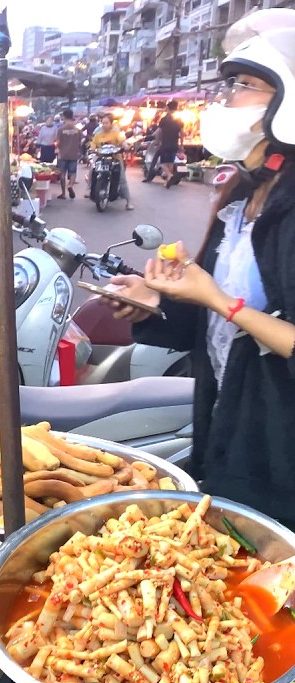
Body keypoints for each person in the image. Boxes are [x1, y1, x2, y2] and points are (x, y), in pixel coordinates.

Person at [104, 12, 295, 525]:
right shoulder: (242, 193)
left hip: (280, 446)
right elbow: (208, 328)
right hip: (226, 421)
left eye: (244, 86)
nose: (227, 98)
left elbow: (233, 311)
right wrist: (155, 302)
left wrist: (217, 298)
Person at [89, 114, 134, 210]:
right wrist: (92, 149)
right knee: (92, 171)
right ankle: (90, 189)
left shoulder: (116, 133)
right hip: (101, 158)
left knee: (122, 180)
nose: (104, 125)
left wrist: (125, 146)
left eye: (106, 123)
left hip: (115, 158)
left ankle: (128, 202)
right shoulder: (98, 134)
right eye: (103, 123)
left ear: (111, 124)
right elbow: (93, 144)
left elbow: (123, 141)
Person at [154, 100, 184, 187]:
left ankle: (170, 175)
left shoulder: (164, 120)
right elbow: (182, 133)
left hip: (165, 144)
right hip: (174, 144)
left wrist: (157, 141)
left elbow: (159, 132)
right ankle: (167, 182)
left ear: (167, 108)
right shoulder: (179, 120)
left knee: (163, 163)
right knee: (170, 163)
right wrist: (181, 145)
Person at [56, 109, 85, 199]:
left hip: (63, 154)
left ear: (64, 117)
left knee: (62, 174)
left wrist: (59, 150)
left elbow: (57, 142)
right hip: (74, 154)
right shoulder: (77, 130)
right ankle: (70, 185)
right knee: (73, 172)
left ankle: (63, 193)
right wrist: (79, 150)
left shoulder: (61, 130)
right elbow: (82, 141)